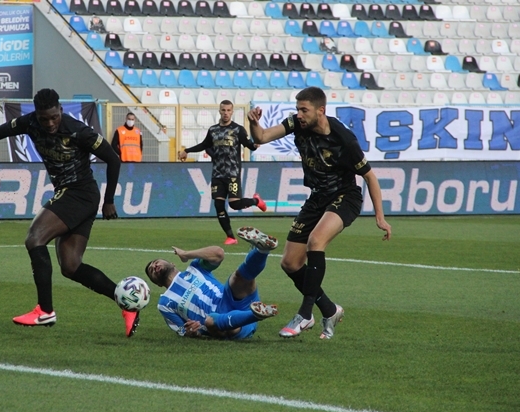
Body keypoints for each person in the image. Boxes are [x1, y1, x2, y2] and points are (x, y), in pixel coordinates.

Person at [0, 89, 141, 337]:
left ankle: (45, 310)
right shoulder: (29, 123)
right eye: (45, 119)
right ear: (36, 114)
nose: (50, 123)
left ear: (61, 111)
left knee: (34, 238)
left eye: (54, 117)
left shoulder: (77, 130)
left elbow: (113, 159)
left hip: (80, 193)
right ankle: (126, 304)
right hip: (72, 194)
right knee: (70, 266)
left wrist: (109, 200)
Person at [247, 86, 392, 340]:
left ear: (321, 111)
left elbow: (369, 176)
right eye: (298, 110)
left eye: (304, 110)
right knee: (290, 263)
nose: (299, 115)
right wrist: (254, 123)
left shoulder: (343, 140)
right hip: (317, 198)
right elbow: (262, 136)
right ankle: (329, 309)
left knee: (316, 241)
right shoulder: (296, 124)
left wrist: (380, 216)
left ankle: (305, 314)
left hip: (345, 197)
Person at [145, 226, 279, 340]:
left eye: (156, 262)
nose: (154, 266)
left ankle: (262, 250)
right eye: (151, 270)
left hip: (234, 300)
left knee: (236, 278)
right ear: (157, 283)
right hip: (227, 327)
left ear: (172, 263)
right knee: (211, 321)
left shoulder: (195, 268)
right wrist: (191, 332)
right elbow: (181, 330)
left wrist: (186, 254)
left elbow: (218, 253)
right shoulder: (164, 303)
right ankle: (257, 314)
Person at [178, 100, 267, 245]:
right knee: (218, 205)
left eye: (228, 110)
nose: (226, 113)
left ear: (232, 112)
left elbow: (249, 145)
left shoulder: (238, 130)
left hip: (232, 174)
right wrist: (187, 151)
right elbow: (204, 145)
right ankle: (230, 236)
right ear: (219, 111)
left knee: (234, 205)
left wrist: (256, 144)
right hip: (217, 174)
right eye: (223, 110)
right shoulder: (213, 130)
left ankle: (256, 201)